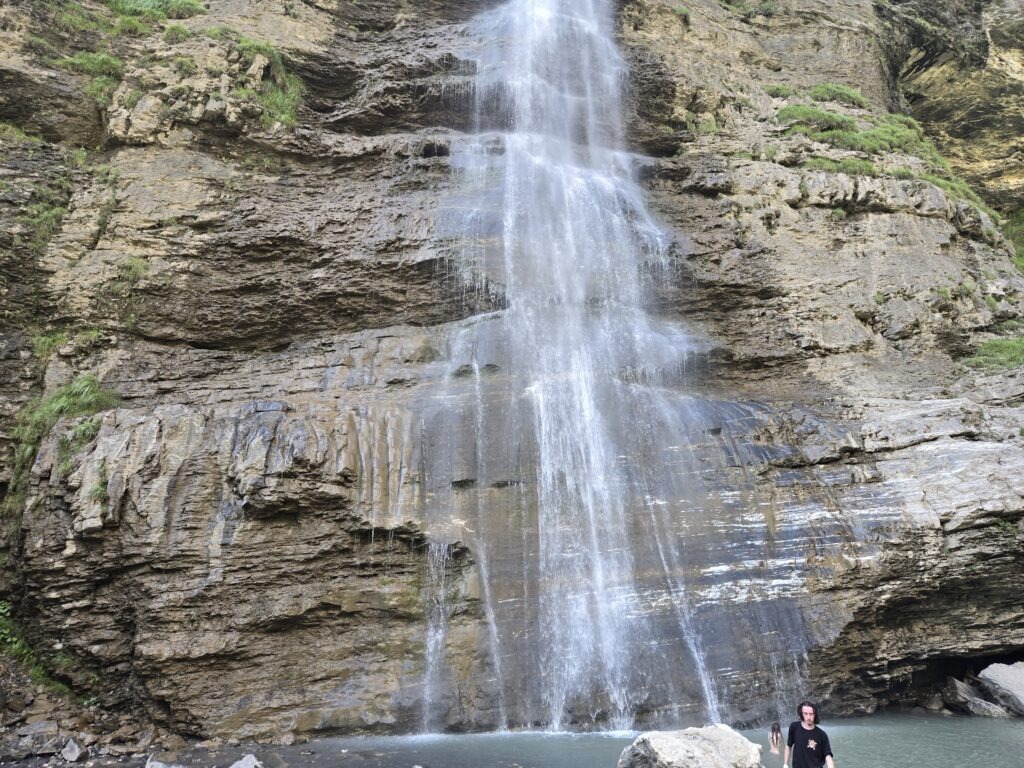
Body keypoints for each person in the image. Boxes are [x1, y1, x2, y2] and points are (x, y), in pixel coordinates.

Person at [784, 700, 835, 768]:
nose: (808, 717)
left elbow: (828, 756)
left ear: (815, 715)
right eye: (805, 713)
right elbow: (788, 746)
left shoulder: (822, 735)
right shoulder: (794, 727)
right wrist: (785, 764)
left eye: (811, 714)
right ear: (801, 713)